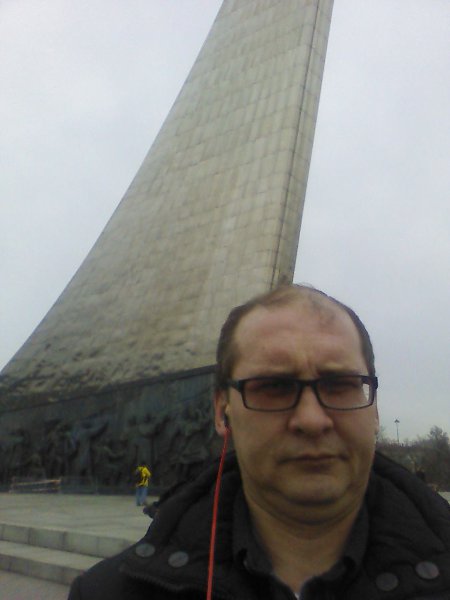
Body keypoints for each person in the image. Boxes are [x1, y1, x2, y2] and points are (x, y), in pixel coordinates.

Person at [69, 284, 450, 599]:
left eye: (339, 385)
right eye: (273, 387)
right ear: (223, 411)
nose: (312, 420)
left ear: (375, 408)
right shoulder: (106, 593)